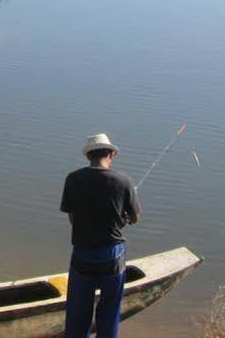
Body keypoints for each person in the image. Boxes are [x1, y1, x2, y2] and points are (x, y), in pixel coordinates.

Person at [60, 133, 142, 338]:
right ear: (111, 154)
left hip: (82, 255)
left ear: (89, 156)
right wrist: (124, 218)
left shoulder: (73, 178)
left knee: (78, 315)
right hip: (111, 256)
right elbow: (135, 217)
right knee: (109, 312)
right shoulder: (124, 181)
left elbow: (72, 217)